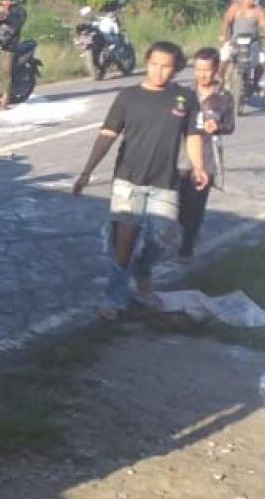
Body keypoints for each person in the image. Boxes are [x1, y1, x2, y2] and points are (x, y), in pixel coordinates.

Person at [72, 41, 209, 321]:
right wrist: (86, 171)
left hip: (165, 182)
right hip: (128, 179)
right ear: (146, 63)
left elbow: (192, 136)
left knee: (163, 239)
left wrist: (198, 165)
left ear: (176, 69)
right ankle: (115, 298)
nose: (159, 71)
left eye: (167, 66)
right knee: (124, 241)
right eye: (154, 64)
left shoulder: (185, 99)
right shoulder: (127, 97)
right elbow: (107, 135)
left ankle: (143, 270)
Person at [176, 48, 234, 264]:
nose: (202, 74)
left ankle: (186, 248)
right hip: (180, 156)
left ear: (217, 69)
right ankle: (189, 230)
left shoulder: (224, 97)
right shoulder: (184, 94)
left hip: (207, 158)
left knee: (195, 206)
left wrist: (218, 125)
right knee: (179, 207)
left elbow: (230, 126)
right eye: (198, 69)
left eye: (207, 70)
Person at [219, 0, 265, 95]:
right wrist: (223, 35)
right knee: (223, 58)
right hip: (234, 41)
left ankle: (255, 83)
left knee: (262, 61)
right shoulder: (235, 7)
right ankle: (221, 82)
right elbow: (226, 21)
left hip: (253, 43)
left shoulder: (258, 10)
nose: (250, 0)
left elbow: (264, 24)